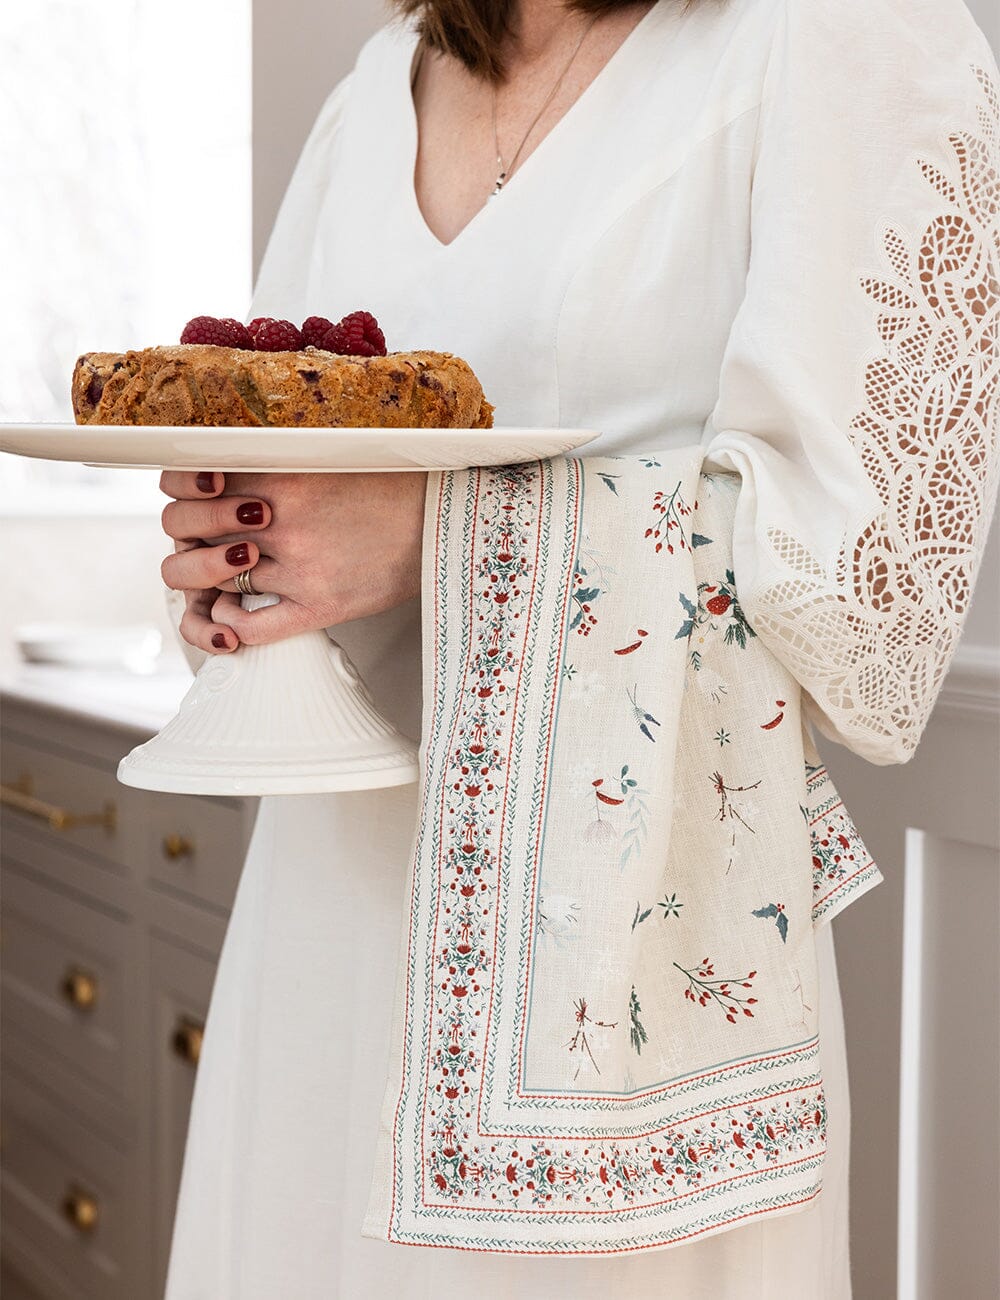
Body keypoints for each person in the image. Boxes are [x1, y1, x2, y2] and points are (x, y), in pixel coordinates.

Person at [160, 0, 1000, 1295]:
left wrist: (431, 541)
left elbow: (868, 609)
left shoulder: (846, 30)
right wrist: (241, 564)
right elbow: (279, 459)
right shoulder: (379, 83)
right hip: (323, 930)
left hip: (625, 1012)